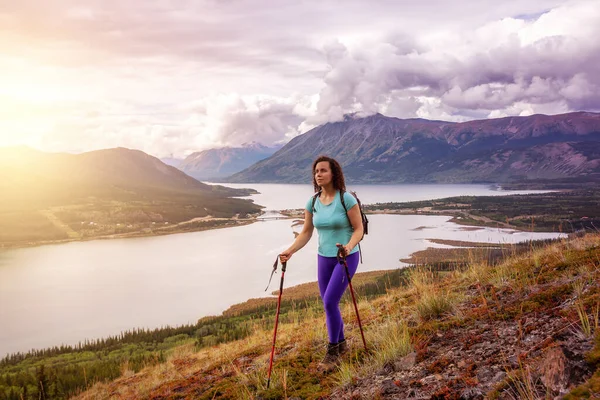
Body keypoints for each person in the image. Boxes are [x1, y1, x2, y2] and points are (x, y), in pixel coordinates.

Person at [279, 155, 364, 371]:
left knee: (329, 302)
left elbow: (359, 229)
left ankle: (332, 351)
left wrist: (349, 247)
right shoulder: (313, 202)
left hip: (345, 257)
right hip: (323, 258)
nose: (319, 174)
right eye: (316, 171)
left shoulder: (346, 199)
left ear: (333, 173)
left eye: (323, 170)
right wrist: (289, 251)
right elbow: (306, 232)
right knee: (329, 304)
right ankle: (342, 345)